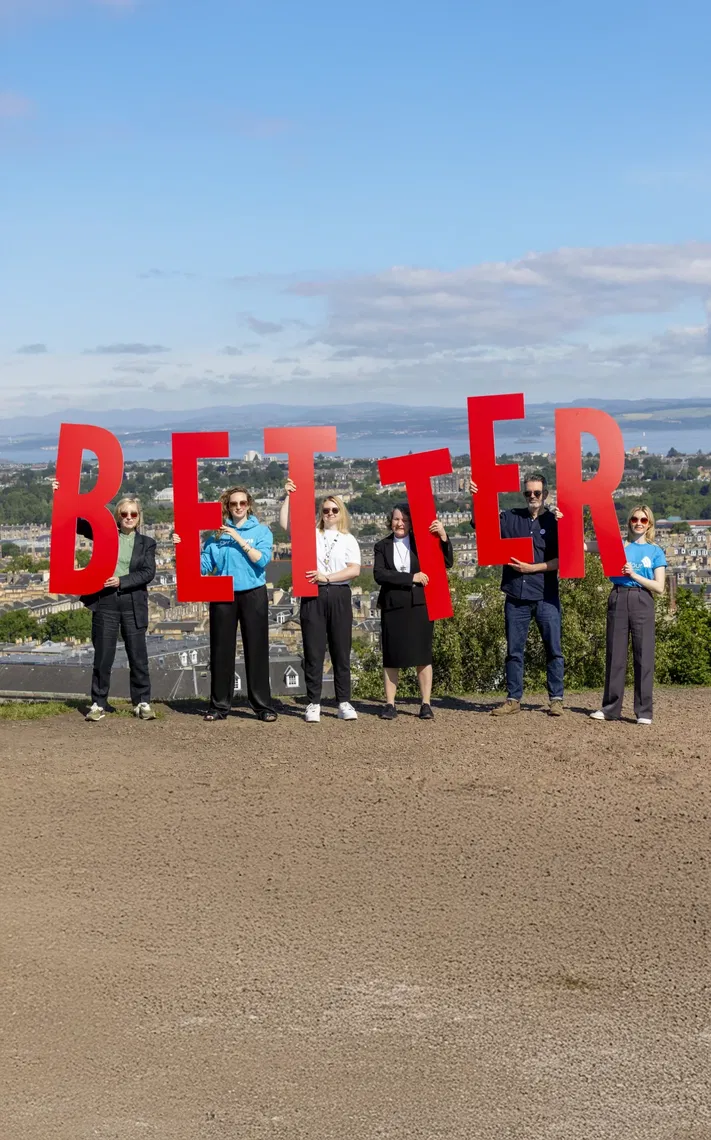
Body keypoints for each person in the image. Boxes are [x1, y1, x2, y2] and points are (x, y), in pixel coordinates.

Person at [52, 481, 157, 722]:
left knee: (138, 656)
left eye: (133, 514)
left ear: (139, 518)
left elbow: (148, 573)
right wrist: (60, 494)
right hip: (106, 602)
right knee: (103, 656)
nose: (128, 517)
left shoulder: (148, 543)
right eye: (124, 514)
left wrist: (122, 581)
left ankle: (142, 702)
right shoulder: (104, 532)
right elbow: (75, 523)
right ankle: (98, 703)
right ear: (117, 516)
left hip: (132, 602)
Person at [175, 486, 277, 722]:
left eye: (242, 503)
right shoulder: (216, 537)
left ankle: (263, 707)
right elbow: (201, 567)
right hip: (222, 593)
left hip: (253, 592)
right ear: (227, 507)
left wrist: (238, 538)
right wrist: (181, 546)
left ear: (249, 505)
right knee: (221, 651)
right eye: (233, 504)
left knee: (257, 650)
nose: (238, 507)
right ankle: (219, 706)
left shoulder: (262, 531)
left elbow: (261, 560)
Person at [470, 472, 564, 716]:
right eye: (528, 493)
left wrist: (534, 568)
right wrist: (476, 498)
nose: (532, 497)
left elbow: (562, 560)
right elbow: (482, 525)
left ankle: (556, 699)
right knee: (514, 650)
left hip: (546, 595)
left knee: (553, 648)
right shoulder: (511, 518)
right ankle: (513, 699)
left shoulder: (555, 522)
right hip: (516, 596)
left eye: (537, 493)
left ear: (546, 494)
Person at [280, 479, 361, 722]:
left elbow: (354, 570)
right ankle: (313, 702)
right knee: (313, 651)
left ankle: (344, 701)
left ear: (341, 513)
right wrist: (287, 497)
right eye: (325, 510)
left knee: (341, 650)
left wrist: (327, 577)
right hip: (312, 595)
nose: (330, 514)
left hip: (338, 593)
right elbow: (285, 524)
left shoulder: (349, 539)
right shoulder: (311, 533)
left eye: (334, 510)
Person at [373, 503, 453, 720]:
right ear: (390, 520)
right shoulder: (381, 546)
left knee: (423, 655)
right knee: (392, 656)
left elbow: (447, 562)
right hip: (392, 605)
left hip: (420, 604)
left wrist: (443, 536)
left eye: (405, 520)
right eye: (397, 519)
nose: (400, 523)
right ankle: (390, 704)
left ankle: (425, 703)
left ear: (411, 523)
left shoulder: (423, 543)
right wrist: (411, 578)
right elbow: (380, 575)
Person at [589, 505, 666, 725]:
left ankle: (644, 711)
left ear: (649, 524)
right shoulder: (617, 545)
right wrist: (562, 520)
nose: (639, 523)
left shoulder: (655, 551)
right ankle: (610, 708)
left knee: (644, 655)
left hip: (643, 598)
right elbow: (584, 546)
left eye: (644, 520)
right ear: (629, 521)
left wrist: (634, 575)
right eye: (635, 519)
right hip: (618, 596)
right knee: (615, 654)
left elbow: (659, 587)